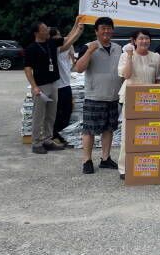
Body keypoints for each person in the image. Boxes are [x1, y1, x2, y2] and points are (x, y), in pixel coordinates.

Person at [24, 17, 84, 154]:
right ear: (36, 33)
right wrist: (34, 86)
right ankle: (36, 143)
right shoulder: (31, 49)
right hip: (41, 87)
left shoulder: (51, 43)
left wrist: (77, 25)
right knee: (39, 116)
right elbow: (27, 69)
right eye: (44, 30)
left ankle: (47, 139)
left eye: (47, 29)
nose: (47, 31)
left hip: (53, 84)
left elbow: (68, 38)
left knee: (51, 115)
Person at [74, 17, 123, 175]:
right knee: (89, 130)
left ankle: (105, 158)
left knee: (109, 129)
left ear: (113, 30)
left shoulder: (118, 48)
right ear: (96, 31)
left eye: (109, 28)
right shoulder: (88, 46)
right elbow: (79, 68)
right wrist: (89, 52)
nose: (106, 31)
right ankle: (87, 160)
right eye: (103, 28)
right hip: (94, 96)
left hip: (113, 96)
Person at [117, 29, 160, 179]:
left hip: (151, 100)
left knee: (148, 133)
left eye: (147, 38)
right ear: (134, 41)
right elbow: (126, 75)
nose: (144, 41)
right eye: (141, 39)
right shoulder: (125, 56)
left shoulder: (156, 57)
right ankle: (124, 168)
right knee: (128, 133)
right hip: (131, 99)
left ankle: (146, 165)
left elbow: (158, 79)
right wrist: (130, 56)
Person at [49, 27, 75, 147]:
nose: (61, 37)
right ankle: (54, 135)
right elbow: (70, 39)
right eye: (58, 35)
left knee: (67, 111)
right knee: (59, 113)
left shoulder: (61, 46)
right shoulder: (55, 48)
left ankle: (58, 134)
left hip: (66, 84)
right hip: (59, 86)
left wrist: (77, 24)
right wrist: (79, 30)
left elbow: (69, 37)